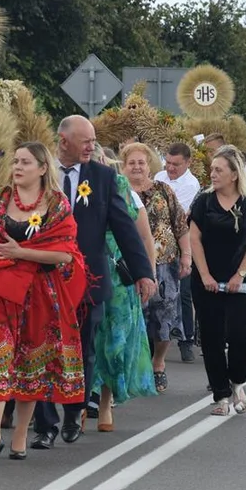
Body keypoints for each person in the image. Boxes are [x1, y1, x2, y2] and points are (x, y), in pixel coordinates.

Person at [31, 117, 155, 450]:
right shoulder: (40, 173)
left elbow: (125, 227)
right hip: (43, 280)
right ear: (63, 140)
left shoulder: (103, 177)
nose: (91, 146)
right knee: (43, 351)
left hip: (89, 281)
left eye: (94, 141)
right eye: (85, 141)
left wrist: (144, 272)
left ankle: (74, 411)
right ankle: (45, 424)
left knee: (83, 351)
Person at [0, 142, 88, 461]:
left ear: (43, 168)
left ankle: (19, 436)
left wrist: (21, 253)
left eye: (25, 162)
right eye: (15, 161)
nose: (17, 167)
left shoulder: (57, 205)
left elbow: (66, 254)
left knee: (31, 365)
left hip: (40, 293)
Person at [188, 145, 246, 416]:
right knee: (211, 337)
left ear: (234, 174)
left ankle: (238, 382)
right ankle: (220, 395)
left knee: (239, 334)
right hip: (206, 279)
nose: (213, 174)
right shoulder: (203, 201)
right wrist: (205, 274)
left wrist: (240, 273)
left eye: (218, 170)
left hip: (240, 279)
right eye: (212, 169)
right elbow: (193, 238)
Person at [92, 146, 156, 431]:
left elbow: (143, 237)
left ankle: (105, 402)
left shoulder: (122, 189)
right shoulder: (64, 188)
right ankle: (80, 401)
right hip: (80, 271)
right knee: (85, 339)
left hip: (117, 275)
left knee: (112, 342)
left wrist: (147, 275)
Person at [122, 143, 191, 393]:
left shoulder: (164, 190)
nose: (137, 167)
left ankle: (158, 364)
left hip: (165, 265)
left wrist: (187, 256)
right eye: (132, 163)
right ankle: (130, 369)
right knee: (132, 318)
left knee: (164, 317)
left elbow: (180, 224)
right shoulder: (118, 191)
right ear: (123, 165)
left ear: (149, 164)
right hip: (128, 265)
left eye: (141, 162)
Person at [154, 142, 200, 364]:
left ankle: (186, 340)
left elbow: (175, 215)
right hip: (155, 243)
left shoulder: (191, 184)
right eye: (168, 163)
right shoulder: (159, 176)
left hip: (178, 242)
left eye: (176, 164)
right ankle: (157, 339)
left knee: (182, 293)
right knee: (156, 293)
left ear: (188, 163)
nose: (171, 168)